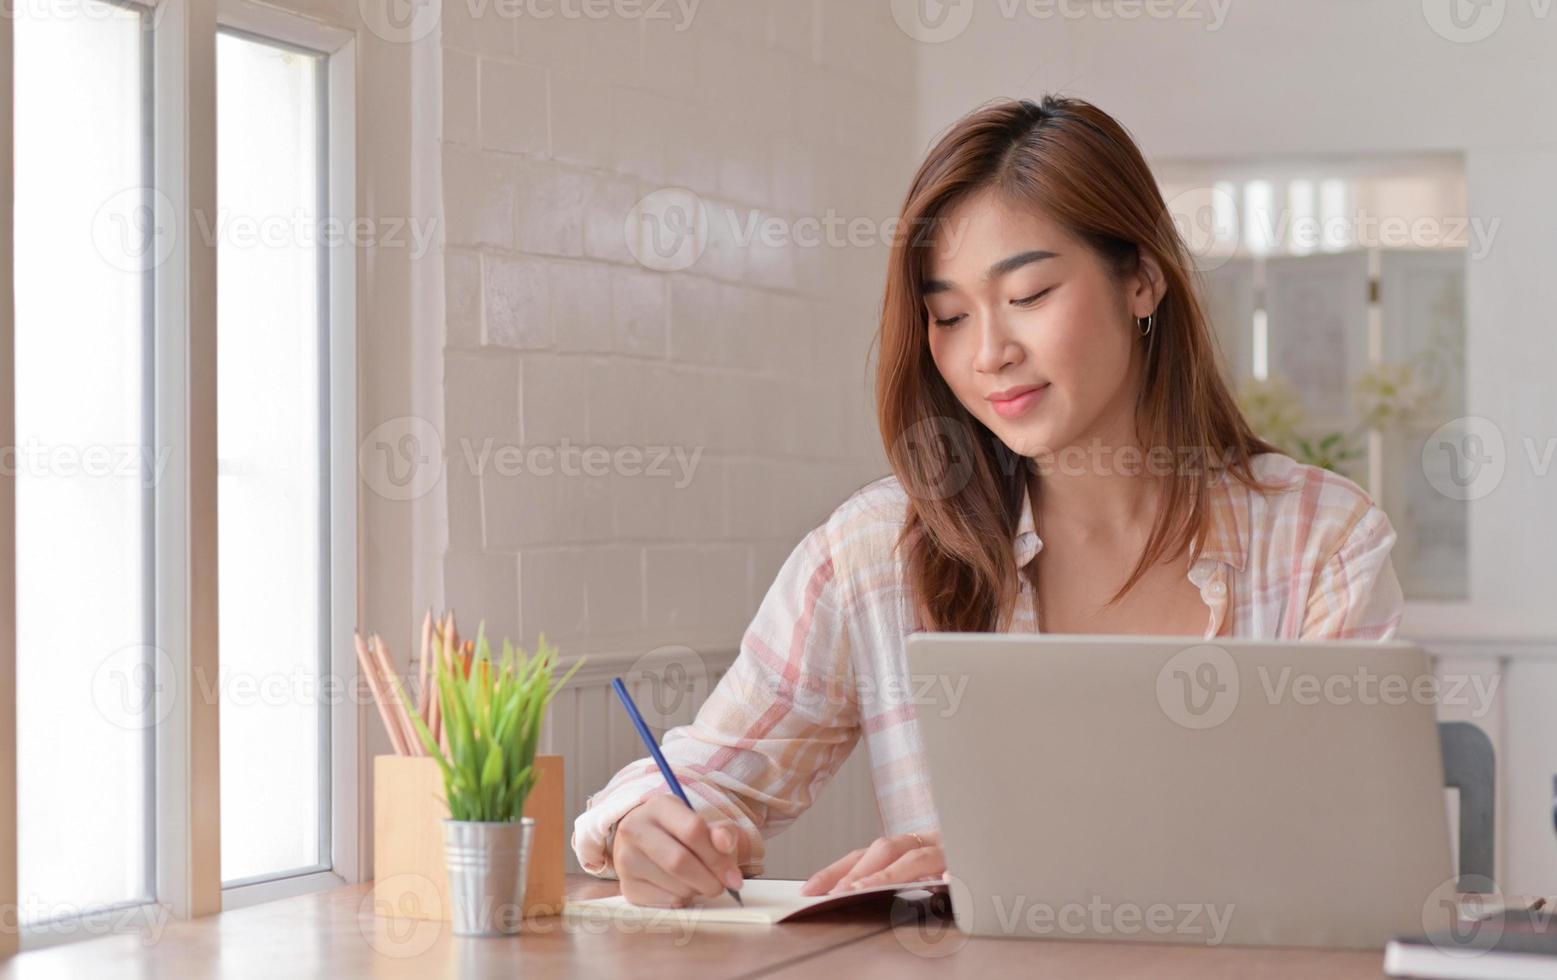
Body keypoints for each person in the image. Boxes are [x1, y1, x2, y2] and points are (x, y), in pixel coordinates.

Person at [571, 94, 1405, 909]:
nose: (989, 353)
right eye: (948, 315)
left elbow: (1347, 859)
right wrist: (651, 829)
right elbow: (703, 780)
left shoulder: (1319, 543)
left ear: (1142, 279)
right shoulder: (876, 552)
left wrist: (998, 861)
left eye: (1029, 296)